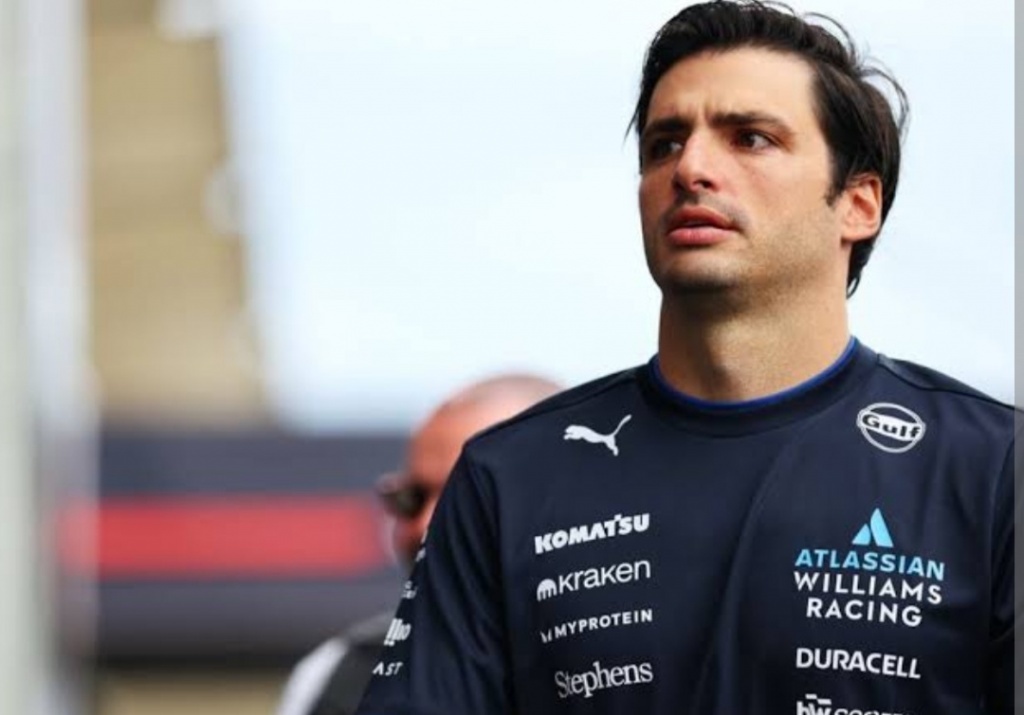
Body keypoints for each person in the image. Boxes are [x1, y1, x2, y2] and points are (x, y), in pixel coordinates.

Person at [354, 2, 1017, 714]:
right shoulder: (507, 478)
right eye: (665, 144)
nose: (692, 168)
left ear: (859, 204)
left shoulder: (992, 469)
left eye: (751, 138)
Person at [277, 374, 562, 715]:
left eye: (468, 495)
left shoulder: (617, 665)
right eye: (411, 497)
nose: (424, 524)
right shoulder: (343, 674)